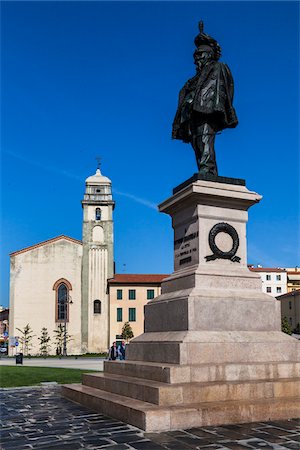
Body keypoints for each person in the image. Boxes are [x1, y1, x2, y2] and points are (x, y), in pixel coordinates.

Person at [172, 21, 238, 176]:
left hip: (206, 111)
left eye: (199, 55)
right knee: (197, 143)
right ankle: (208, 171)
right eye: (195, 55)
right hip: (193, 114)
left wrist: (195, 101)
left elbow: (214, 89)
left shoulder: (217, 67)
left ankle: (207, 170)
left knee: (204, 139)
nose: (196, 59)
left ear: (209, 54)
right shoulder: (194, 77)